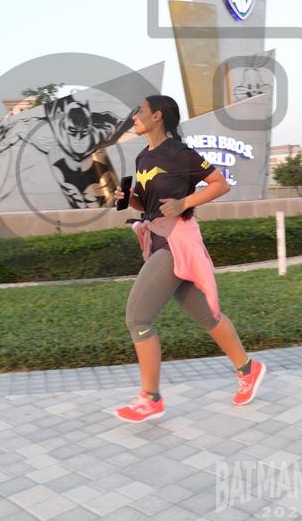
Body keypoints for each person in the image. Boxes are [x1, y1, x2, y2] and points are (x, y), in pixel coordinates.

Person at [113, 95, 266, 423]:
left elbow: (219, 184)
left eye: (139, 111)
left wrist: (184, 203)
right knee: (207, 315)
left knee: (138, 318)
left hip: (176, 241)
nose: (134, 117)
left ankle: (151, 398)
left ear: (157, 116)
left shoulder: (180, 153)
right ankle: (248, 369)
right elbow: (146, 205)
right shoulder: (142, 157)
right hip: (155, 237)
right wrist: (128, 198)